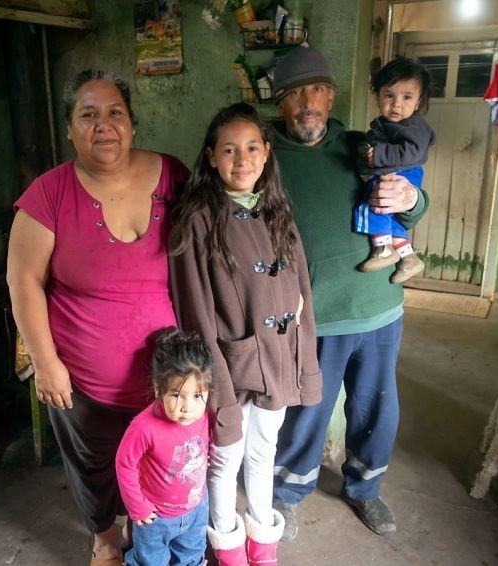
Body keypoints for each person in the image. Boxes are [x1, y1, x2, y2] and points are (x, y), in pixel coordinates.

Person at [6, 69, 189, 566]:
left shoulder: (173, 175)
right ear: (70, 128)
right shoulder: (49, 194)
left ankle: (140, 527)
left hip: (167, 378)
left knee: (155, 460)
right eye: (88, 115)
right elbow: (23, 282)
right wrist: (46, 364)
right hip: (85, 380)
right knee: (93, 465)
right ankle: (105, 539)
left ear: (132, 123)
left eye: (114, 113)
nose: (102, 126)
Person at [268, 46, 430, 539]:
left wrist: (413, 198)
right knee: (306, 412)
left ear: (331, 96)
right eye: (293, 93)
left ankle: (365, 489)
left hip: (379, 306)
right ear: (280, 103)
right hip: (314, 315)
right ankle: (289, 491)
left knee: (376, 407)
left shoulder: (365, 145)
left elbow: (411, 204)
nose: (306, 103)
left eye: (316, 90)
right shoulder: (266, 158)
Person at [169, 102, 322, 565]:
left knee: (263, 453)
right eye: (230, 150)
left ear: (267, 153)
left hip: (277, 363)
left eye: (253, 147)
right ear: (212, 157)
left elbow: (302, 300)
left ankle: (263, 549)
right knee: (223, 460)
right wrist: (216, 389)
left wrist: (302, 365)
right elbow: (194, 313)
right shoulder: (197, 221)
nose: (242, 159)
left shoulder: (277, 213)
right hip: (230, 372)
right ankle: (229, 550)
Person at [115, 327, 213, 566]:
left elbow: (204, 443)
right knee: (151, 561)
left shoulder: (203, 415)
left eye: (198, 395)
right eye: (177, 395)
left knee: (191, 557)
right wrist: (137, 507)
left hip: (196, 510)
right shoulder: (144, 427)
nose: (188, 407)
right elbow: (124, 464)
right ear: (159, 389)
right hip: (155, 519)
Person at [355, 56, 435, 283]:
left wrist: (378, 155)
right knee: (393, 218)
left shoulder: (414, 127)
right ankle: (409, 258)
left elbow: (414, 152)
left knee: (374, 203)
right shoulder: (389, 124)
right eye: (389, 95)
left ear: (418, 102)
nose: (396, 103)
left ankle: (383, 249)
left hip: (403, 172)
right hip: (397, 170)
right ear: (378, 96)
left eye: (407, 97)